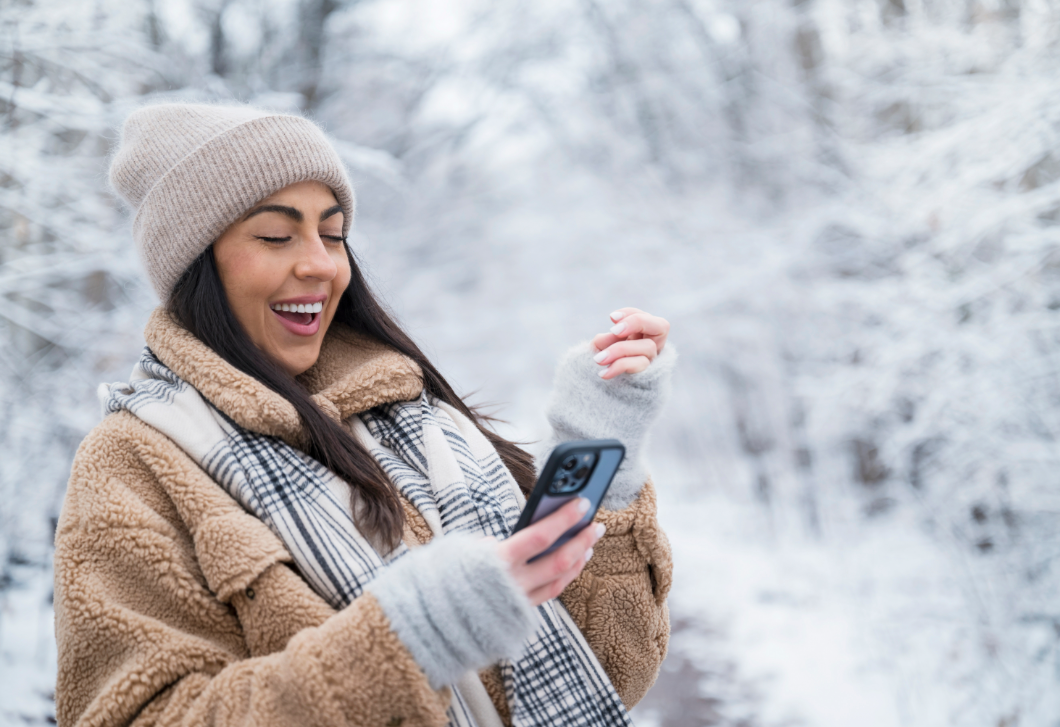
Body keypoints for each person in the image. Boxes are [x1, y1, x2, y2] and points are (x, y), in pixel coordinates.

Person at [53, 103, 676, 727]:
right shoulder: (132, 463)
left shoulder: (419, 420)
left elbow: (609, 670)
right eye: (275, 236)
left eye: (332, 235)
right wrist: (409, 638)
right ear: (196, 263)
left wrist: (602, 441)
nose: (322, 265)